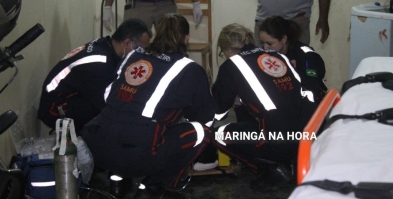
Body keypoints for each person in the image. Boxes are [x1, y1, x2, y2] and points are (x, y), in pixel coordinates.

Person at [82, 14, 216, 199]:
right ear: (186, 38)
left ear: (155, 35)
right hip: (137, 154)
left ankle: (118, 182)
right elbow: (206, 117)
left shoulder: (133, 55)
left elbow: (109, 94)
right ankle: (153, 187)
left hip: (97, 144)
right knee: (202, 132)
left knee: (128, 122)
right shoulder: (190, 69)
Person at [212, 23, 318, 188]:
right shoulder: (279, 56)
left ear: (228, 49)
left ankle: (273, 169)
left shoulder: (231, 65)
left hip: (278, 139)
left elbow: (218, 112)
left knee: (218, 135)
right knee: (252, 109)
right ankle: (292, 160)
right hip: (310, 134)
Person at [37, 18, 151, 134]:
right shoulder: (101, 65)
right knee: (107, 114)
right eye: (141, 49)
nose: (142, 55)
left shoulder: (105, 44)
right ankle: (81, 138)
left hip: (64, 97)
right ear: (127, 43)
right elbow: (109, 105)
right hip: (53, 109)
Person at [259, 15, 327, 103]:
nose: (265, 47)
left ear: (284, 39)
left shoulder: (307, 57)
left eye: (269, 43)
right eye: (263, 43)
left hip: (305, 106)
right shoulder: (266, 55)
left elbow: (312, 88)